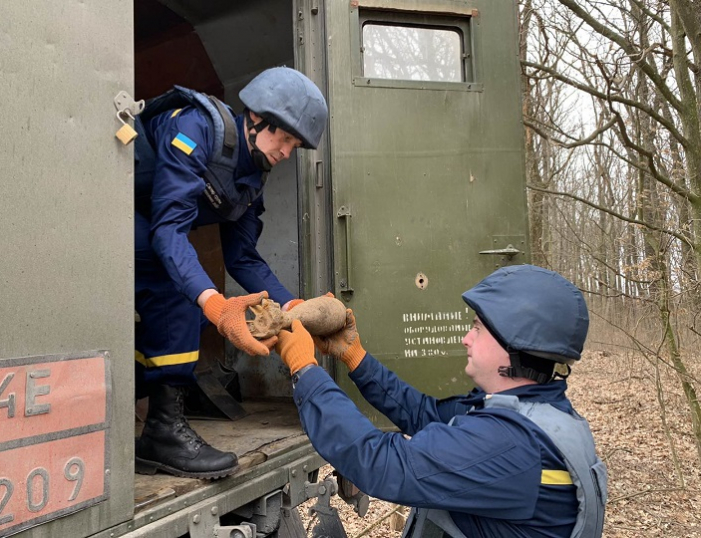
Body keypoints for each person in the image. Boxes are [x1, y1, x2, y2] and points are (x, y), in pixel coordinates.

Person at [274, 265, 607, 537]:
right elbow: (425, 414)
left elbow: (380, 464)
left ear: (514, 343)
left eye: (477, 328)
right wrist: (354, 356)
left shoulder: (511, 443)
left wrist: (305, 369)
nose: (466, 338)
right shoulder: (534, 415)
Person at [133, 67, 328, 479]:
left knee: (182, 283)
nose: (288, 152)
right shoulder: (196, 128)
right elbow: (169, 231)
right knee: (176, 287)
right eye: (286, 138)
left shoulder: (251, 174)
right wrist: (217, 306)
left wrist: (295, 309)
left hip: (155, 221)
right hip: (114, 207)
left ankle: (146, 397)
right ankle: (162, 431)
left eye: (297, 145)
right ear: (257, 119)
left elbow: (243, 258)